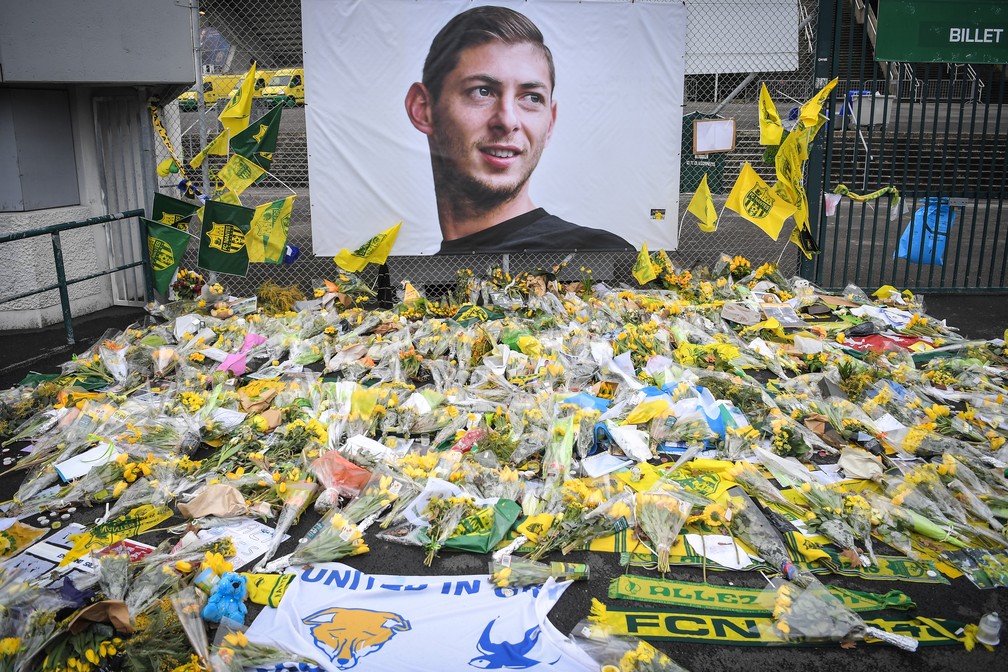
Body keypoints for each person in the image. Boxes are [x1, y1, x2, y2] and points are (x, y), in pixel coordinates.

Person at [404, 5, 632, 254]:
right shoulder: (422, 280)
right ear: (422, 109)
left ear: (550, 124)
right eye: (482, 91)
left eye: (532, 98)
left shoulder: (599, 258)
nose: (508, 120)